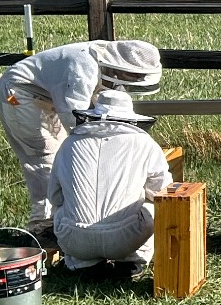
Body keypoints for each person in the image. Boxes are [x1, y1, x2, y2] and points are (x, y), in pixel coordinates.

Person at [0, 39, 162, 229]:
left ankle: (64, 219)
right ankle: (43, 226)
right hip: (17, 94)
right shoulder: (83, 68)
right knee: (44, 156)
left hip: (46, 94)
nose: (137, 81)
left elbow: (100, 111)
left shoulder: (105, 62)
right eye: (135, 76)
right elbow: (76, 120)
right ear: (121, 69)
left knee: (66, 155)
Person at [47, 89, 174, 272]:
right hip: (126, 239)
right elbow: (162, 192)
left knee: (60, 208)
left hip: (74, 239)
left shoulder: (69, 143)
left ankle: (83, 263)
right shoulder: (145, 144)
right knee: (152, 206)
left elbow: (54, 196)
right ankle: (131, 262)